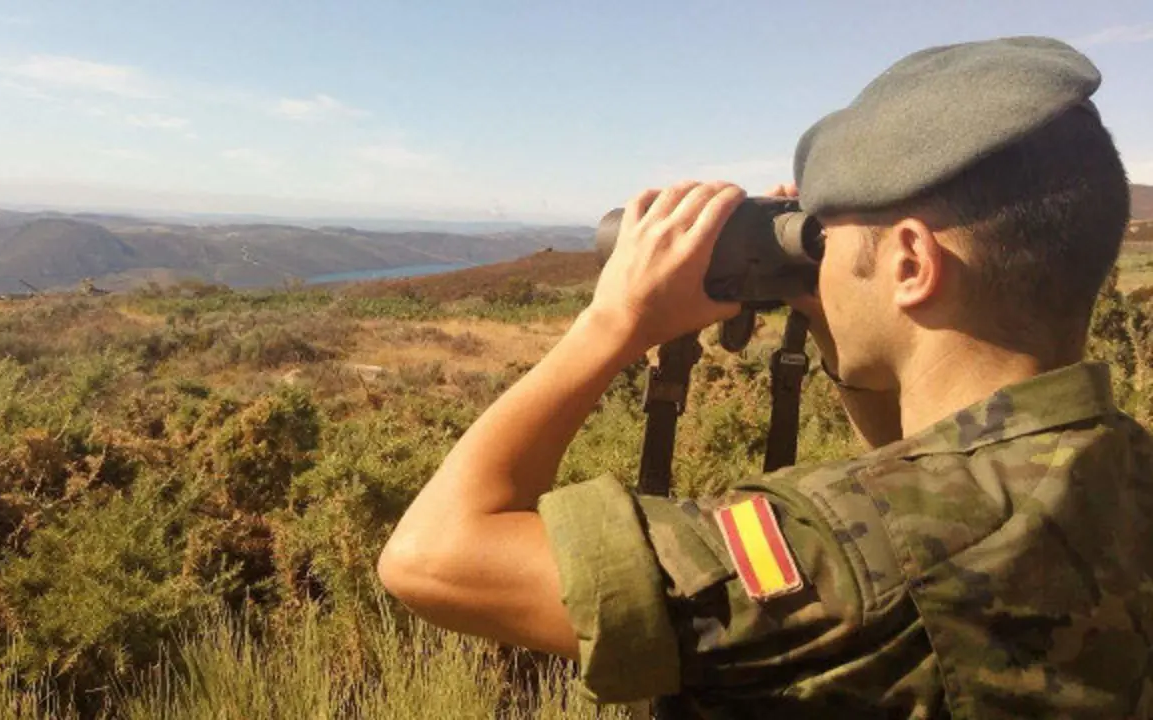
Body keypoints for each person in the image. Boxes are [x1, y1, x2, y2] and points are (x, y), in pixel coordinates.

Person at [377, 36, 1151, 718]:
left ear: (911, 262)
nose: (816, 258)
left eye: (826, 235)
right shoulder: (1121, 472)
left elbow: (431, 555)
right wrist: (839, 319)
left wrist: (613, 324)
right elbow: (944, 464)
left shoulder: (838, 561)